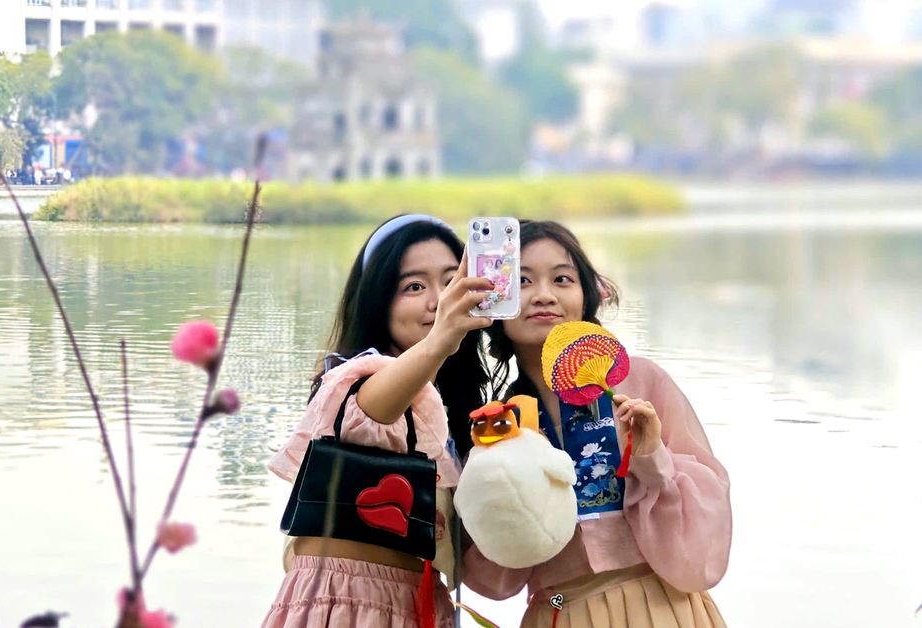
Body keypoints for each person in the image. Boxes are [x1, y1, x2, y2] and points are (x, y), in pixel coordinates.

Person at [462, 220, 732, 628]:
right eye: (521, 281)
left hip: (662, 603)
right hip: (557, 608)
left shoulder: (641, 383)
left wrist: (651, 457)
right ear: (494, 300)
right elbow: (496, 578)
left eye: (562, 279)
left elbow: (708, 519)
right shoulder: (498, 423)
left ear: (587, 296)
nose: (544, 295)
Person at [263, 215, 495, 628]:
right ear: (376, 301)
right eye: (414, 287)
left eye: (449, 282)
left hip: (421, 603)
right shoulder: (357, 379)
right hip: (346, 604)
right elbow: (371, 411)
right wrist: (441, 340)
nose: (439, 300)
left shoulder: (451, 413)